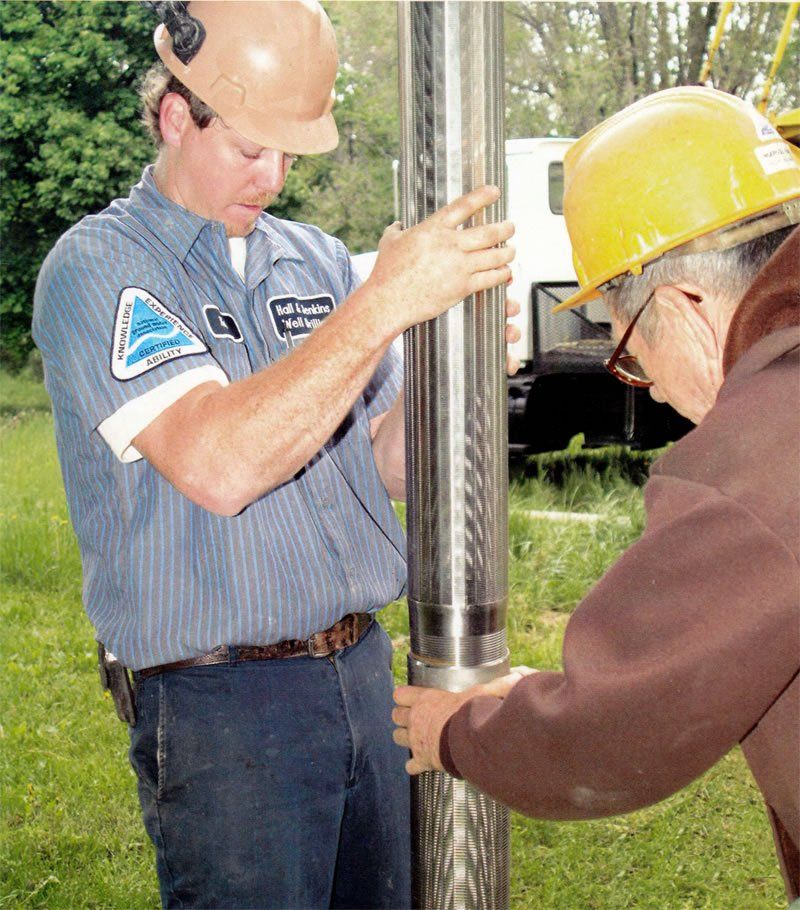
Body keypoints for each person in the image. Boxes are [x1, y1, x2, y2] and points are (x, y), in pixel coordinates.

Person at [32, 2, 517, 907]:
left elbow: (380, 468)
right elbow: (222, 465)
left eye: (291, 153)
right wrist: (379, 307)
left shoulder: (315, 261)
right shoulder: (101, 268)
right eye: (253, 147)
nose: (275, 175)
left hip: (363, 678)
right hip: (226, 716)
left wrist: (456, 367)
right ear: (178, 114)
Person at [393, 85, 800, 905]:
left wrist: (461, 732)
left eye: (631, 348)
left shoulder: (757, 453)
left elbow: (618, 734)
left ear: (681, 302)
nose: (645, 388)